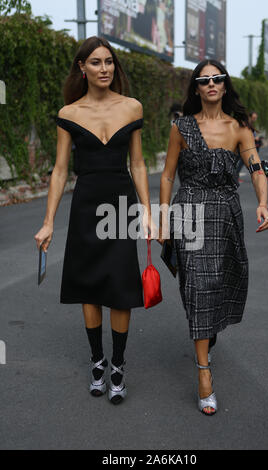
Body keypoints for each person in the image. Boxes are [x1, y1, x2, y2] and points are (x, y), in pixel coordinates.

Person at [34, 36, 153, 405]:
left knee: (120, 285)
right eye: (96, 63)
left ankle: (117, 365)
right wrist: (48, 221)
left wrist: (147, 210)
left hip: (120, 205)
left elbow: (137, 163)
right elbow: (59, 170)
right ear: (82, 69)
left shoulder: (132, 107)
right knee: (89, 285)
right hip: (86, 205)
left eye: (109, 62)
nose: (105, 68)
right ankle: (96, 361)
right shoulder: (69, 114)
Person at [158, 60, 268, 416]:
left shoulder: (239, 128)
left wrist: (263, 202)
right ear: (196, 87)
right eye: (204, 79)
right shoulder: (182, 127)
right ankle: (204, 373)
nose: (211, 84)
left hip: (225, 217)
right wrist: (163, 217)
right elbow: (166, 176)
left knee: (218, 284)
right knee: (198, 287)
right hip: (189, 211)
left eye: (217, 78)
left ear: (224, 86)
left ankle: (206, 337)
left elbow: (255, 169)